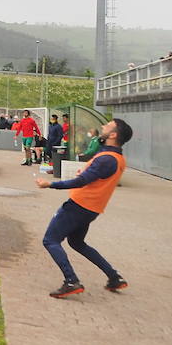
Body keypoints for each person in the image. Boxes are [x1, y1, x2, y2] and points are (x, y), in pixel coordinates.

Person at [35, 119, 132, 298]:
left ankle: (71, 281)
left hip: (79, 206)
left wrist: (51, 185)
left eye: (107, 126)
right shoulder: (116, 157)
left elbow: (81, 181)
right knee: (77, 243)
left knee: (50, 240)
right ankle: (114, 277)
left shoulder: (107, 159)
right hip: (92, 208)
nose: (102, 127)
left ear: (113, 135)